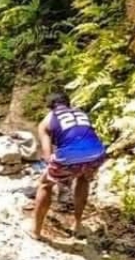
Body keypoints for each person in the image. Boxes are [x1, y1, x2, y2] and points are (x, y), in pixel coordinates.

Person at [32, 92, 108, 240]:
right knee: (83, 179)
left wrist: (61, 174)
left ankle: (35, 231)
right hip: (97, 153)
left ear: (50, 107)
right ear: (69, 104)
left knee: (45, 185)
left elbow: (48, 156)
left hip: (70, 156)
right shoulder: (81, 114)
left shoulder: (47, 121)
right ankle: (78, 225)